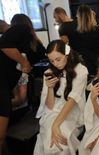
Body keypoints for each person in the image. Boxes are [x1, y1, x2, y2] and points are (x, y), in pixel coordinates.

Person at [0, 14, 46, 154]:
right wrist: (24, 62)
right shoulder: (21, 28)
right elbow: (3, 45)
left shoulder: (31, 42)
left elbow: (42, 54)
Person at [33, 40, 88, 155]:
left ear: (67, 54)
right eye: (52, 61)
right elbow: (50, 106)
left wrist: (56, 124)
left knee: (59, 144)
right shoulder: (48, 72)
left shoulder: (80, 70)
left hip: (72, 111)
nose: (56, 64)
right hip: (52, 112)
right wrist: (50, 88)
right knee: (52, 143)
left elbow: (72, 100)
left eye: (58, 59)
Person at [72, 5, 99, 81]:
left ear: (79, 17)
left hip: (84, 67)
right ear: (91, 15)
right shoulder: (97, 30)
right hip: (98, 65)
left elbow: (75, 52)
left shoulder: (75, 34)